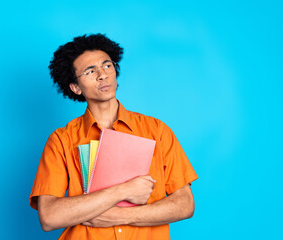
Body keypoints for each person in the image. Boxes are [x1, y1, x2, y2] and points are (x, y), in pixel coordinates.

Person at [29, 33, 198, 240]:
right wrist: (123, 190)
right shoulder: (61, 140)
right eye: (90, 71)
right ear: (75, 87)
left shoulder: (157, 130)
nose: (102, 75)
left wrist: (120, 216)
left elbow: (185, 204)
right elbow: (50, 217)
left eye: (107, 66)